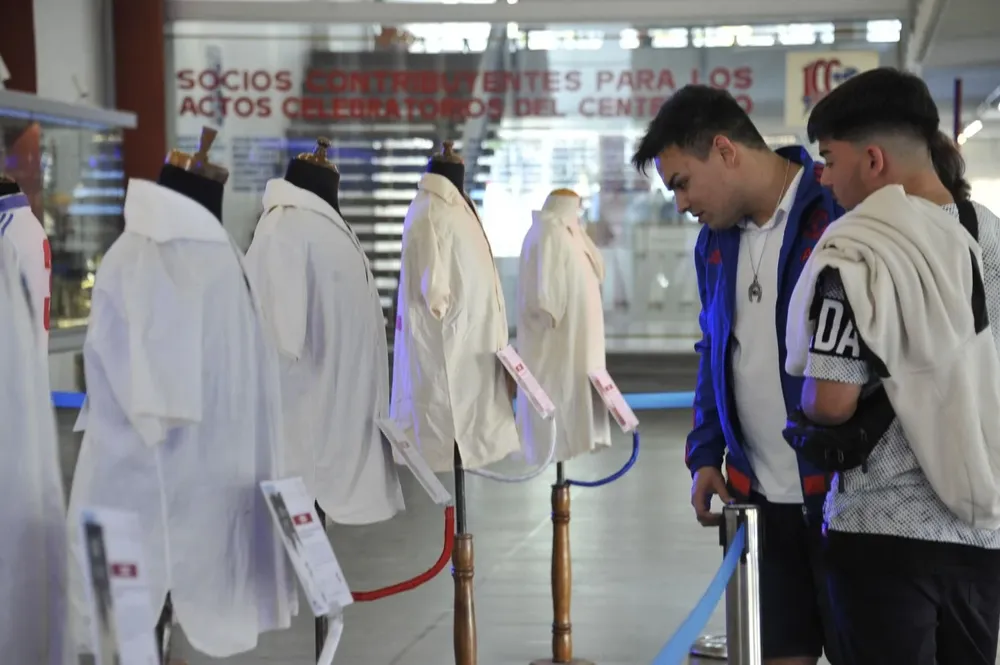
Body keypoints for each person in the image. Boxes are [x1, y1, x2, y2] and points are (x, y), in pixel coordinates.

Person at [630, 85, 844, 665]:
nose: (679, 202)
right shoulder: (714, 245)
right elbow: (714, 350)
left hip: (846, 500)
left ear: (724, 150)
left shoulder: (833, 213)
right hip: (758, 504)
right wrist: (705, 454)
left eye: (681, 182)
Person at [795, 67, 1000, 664]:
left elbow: (829, 401)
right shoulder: (991, 236)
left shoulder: (860, 250)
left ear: (874, 160)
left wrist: (808, 400)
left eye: (830, 159)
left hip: (880, 532)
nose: (824, 178)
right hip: (983, 530)